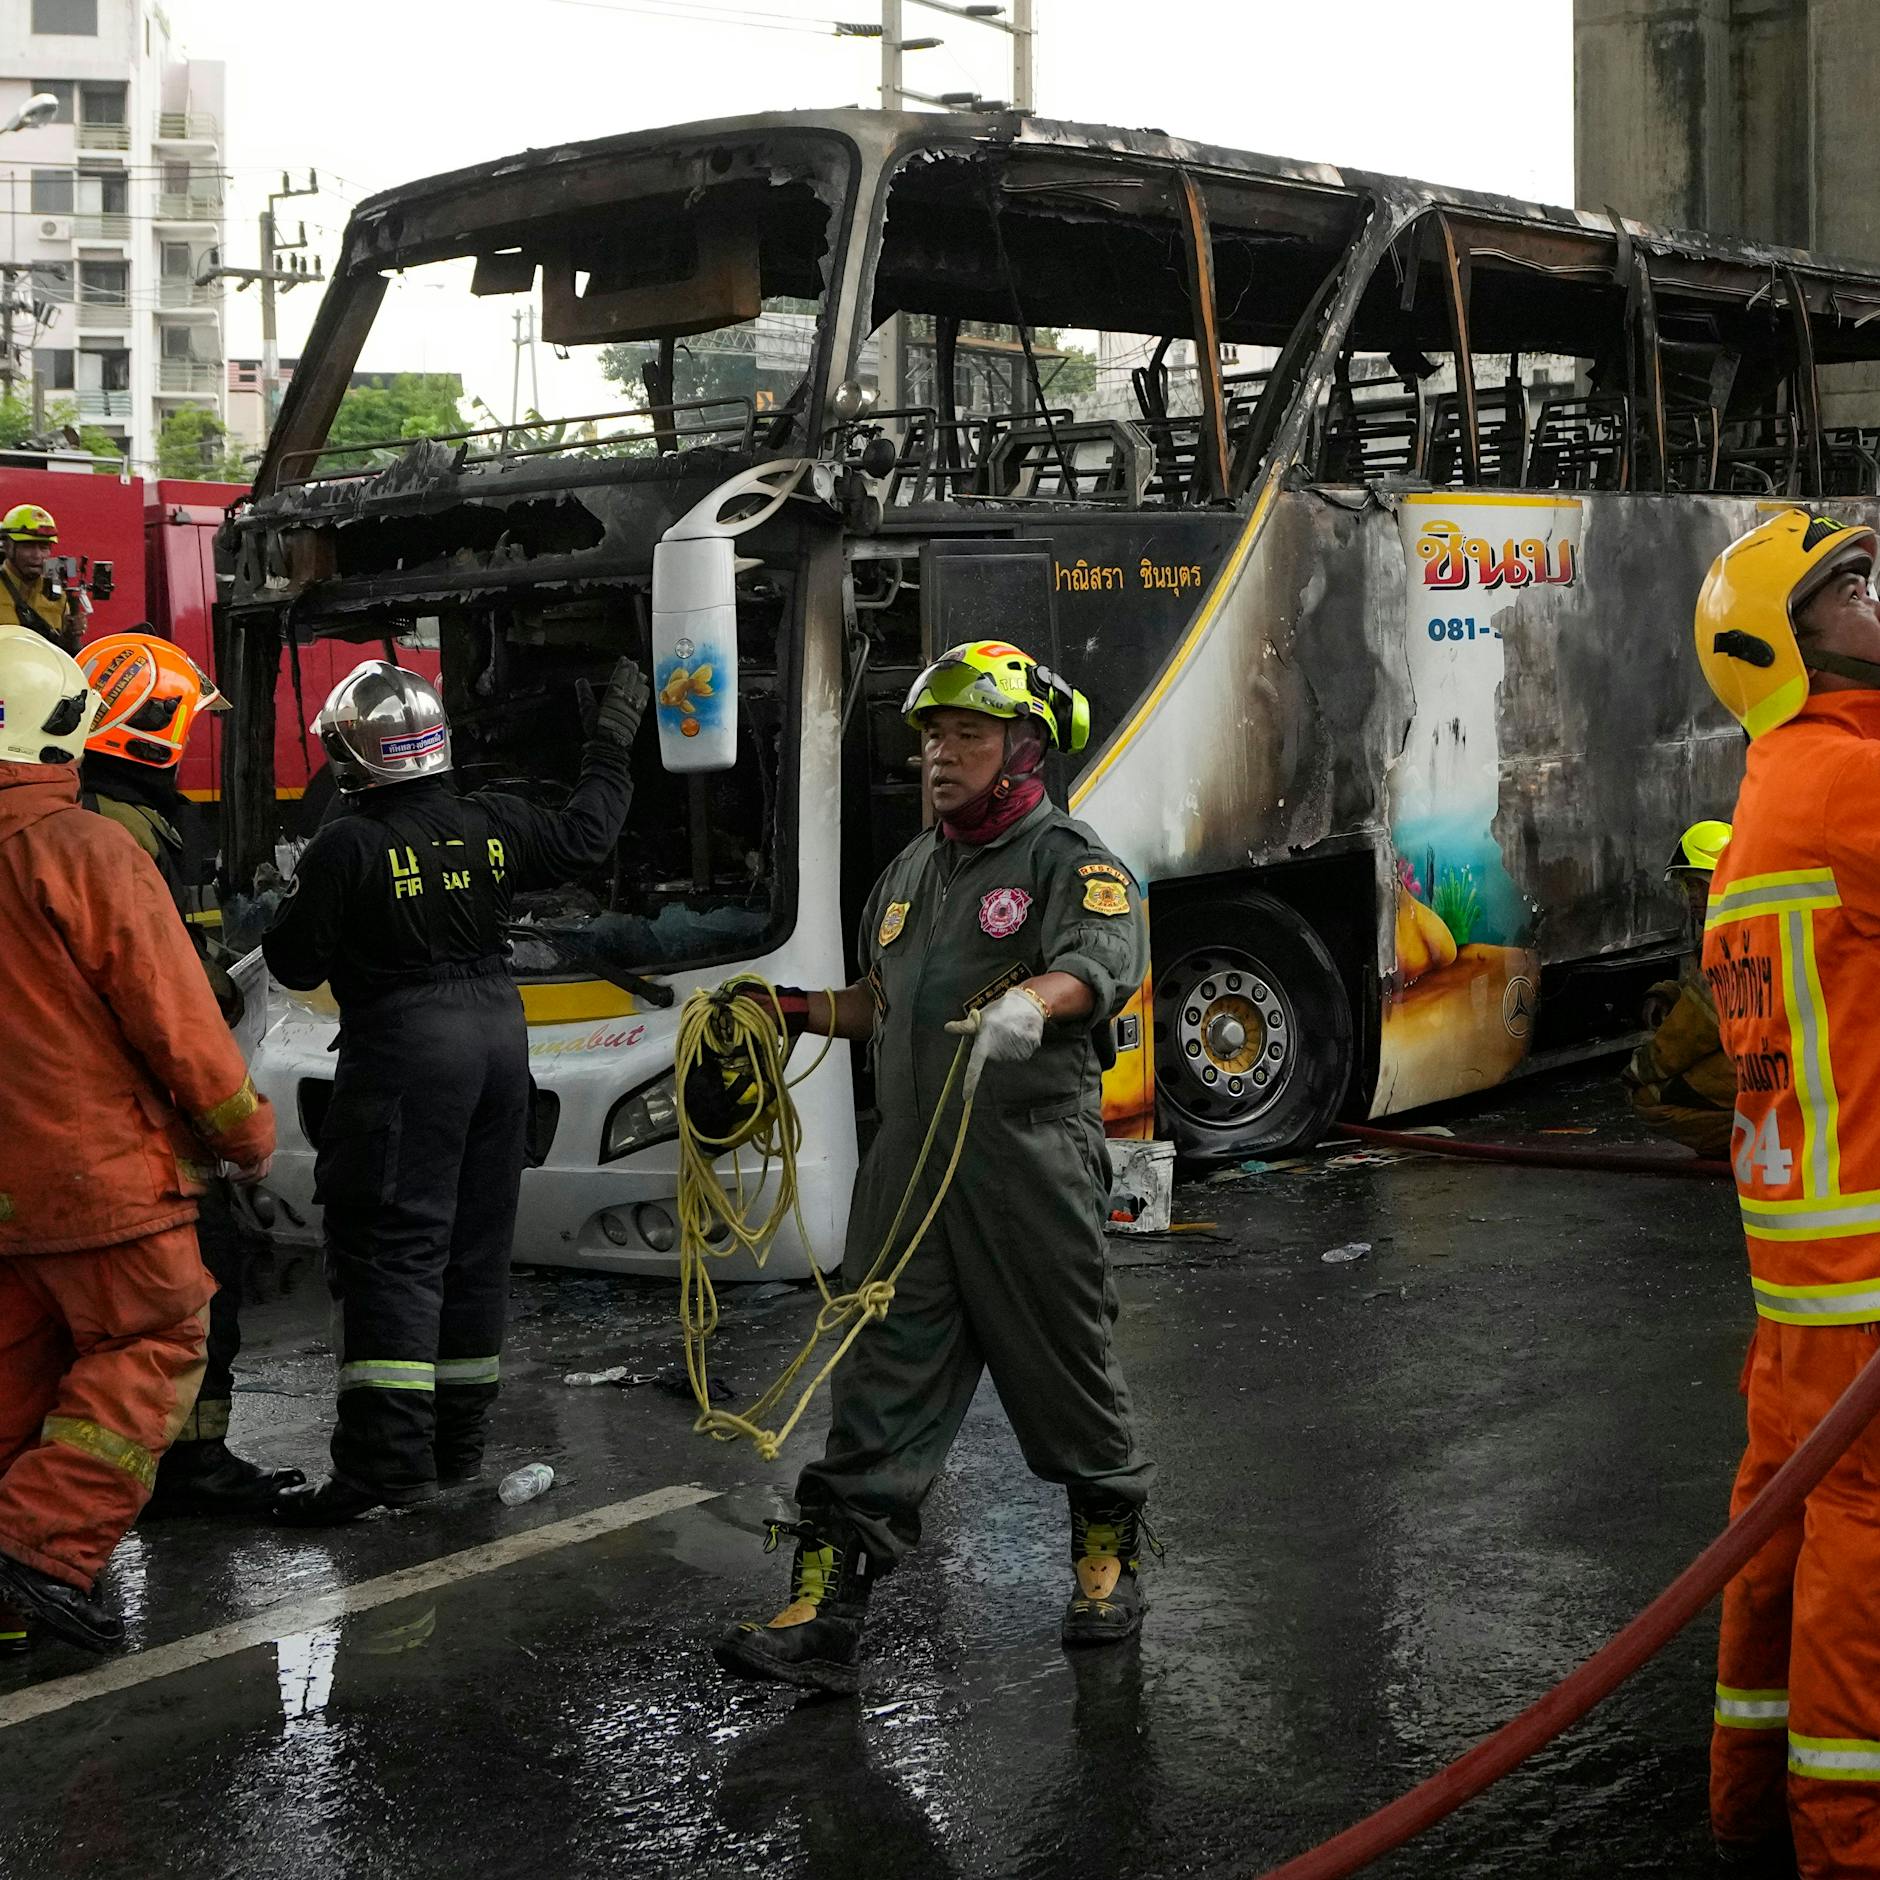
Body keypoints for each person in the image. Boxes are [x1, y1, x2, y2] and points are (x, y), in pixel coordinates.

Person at [713, 639, 1154, 1697]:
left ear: (1021, 748)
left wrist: (1031, 1003)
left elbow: (1099, 963)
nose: (938, 756)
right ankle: (823, 1615)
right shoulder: (909, 872)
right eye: (929, 737)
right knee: (878, 1384)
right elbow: (881, 1002)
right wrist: (794, 1013)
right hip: (910, 1174)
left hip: (1026, 1162)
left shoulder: (1065, 857)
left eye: (964, 734)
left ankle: (1105, 1557)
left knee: (1063, 1367)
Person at [262, 654, 648, 1525]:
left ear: (347, 757)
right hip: (499, 1041)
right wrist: (611, 743)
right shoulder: (493, 822)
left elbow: (293, 961)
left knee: (393, 1251)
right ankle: (454, 1451)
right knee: (475, 1247)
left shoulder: (348, 844)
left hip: (406, 1050)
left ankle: (384, 1470)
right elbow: (588, 834)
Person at [0, 628, 275, 1654]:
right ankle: (39, 1549)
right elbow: (177, 1019)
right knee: (154, 1339)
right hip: (100, 1173)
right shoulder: (87, 849)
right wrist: (244, 1132)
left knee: (16, 1381)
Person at [1696, 510, 1880, 1876]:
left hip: (1803, 1284)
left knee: (1777, 1536)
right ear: (1784, 648)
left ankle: (1748, 1806)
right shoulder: (1840, 786)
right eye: (1851, 591)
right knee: (1861, 1566)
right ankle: (1847, 1844)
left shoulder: (1774, 798)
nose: (1878, 603)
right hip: (1865, 1280)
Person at [76, 630, 304, 1516]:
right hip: (143, 1110)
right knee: (200, 1284)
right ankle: (182, 1474)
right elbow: (156, 983)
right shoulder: (115, 828)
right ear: (152, 727)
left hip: (126, 1106)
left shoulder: (124, 814)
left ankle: (171, 1469)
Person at [1620, 818, 1734, 1159]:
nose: (1693, 898)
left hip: (1755, 1068)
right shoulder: (1745, 926)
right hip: (1778, 1064)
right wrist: (1668, 994)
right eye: (1688, 888)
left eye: (1701, 885)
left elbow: (1696, 1025)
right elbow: (1703, 991)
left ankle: (1753, 1138)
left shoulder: (1731, 940)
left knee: (1649, 1099)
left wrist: (1640, 1071)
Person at [0, 504, 75, 653]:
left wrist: (72, 635)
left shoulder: (57, 594)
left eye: (44, 547)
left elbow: (65, 653)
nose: (37, 555)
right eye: (28, 546)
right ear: (7, 546)